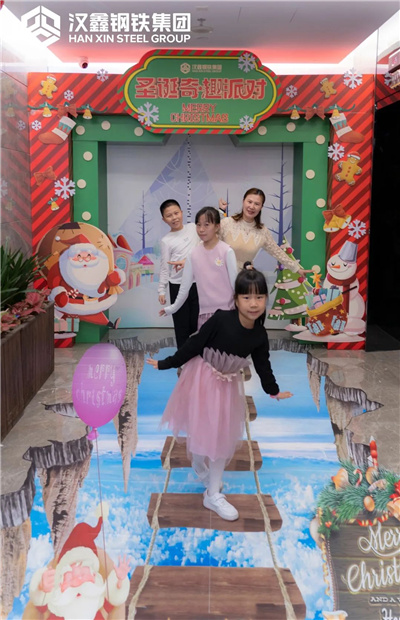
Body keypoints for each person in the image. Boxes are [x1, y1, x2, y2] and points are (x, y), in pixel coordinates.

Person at [147, 268, 293, 521]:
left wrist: (273, 390)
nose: (253, 303)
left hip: (226, 387)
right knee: (202, 429)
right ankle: (198, 463)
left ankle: (212, 494)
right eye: (247, 297)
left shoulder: (259, 334)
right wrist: (166, 363)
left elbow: (263, 365)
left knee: (220, 437)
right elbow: (194, 345)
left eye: (259, 297)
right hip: (202, 378)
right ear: (235, 299)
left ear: (266, 300)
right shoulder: (221, 319)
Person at [160, 206, 237, 329]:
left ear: (217, 227)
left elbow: (235, 285)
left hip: (227, 311)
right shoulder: (193, 254)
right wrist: (172, 308)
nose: (201, 229)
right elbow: (184, 287)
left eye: (206, 225)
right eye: (198, 225)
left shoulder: (227, 251)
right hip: (204, 314)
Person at [219, 188, 312, 277]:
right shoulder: (227, 223)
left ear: (261, 207)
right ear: (243, 201)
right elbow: (212, 242)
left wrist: (297, 269)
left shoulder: (262, 231)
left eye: (257, 204)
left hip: (244, 279)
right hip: (222, 274)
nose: (252, 207)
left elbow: (277, 252)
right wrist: (220, 212)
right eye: (249, 202)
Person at [158, 199, 200, 348]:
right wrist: (161, 290)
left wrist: (221, 211)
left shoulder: (193, 227)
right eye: (169, 215)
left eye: (176, 213)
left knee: (197, 321)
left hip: (197, 283)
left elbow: (208, 235)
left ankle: (197, 354)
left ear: (182, 213)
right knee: (181, 324)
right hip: (177, 284)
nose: (174, 217)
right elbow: (165, 267)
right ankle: (183, 356)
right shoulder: (166, 240)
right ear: (164, 219)